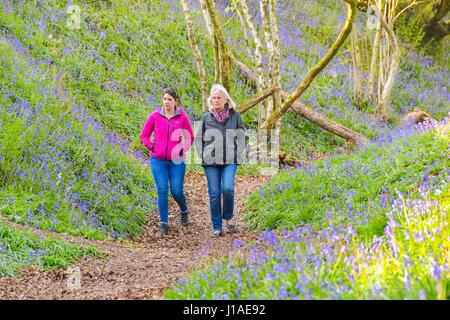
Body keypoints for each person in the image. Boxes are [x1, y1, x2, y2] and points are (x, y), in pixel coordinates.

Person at [140, 88, 194, 236]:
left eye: (170, 99)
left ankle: (184, 211)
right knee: (162, 190)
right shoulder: (155, 116)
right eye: (165, 99)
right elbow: (144, 135)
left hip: (176, 161)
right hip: (158, 161)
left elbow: (189, 137)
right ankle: (163, 224)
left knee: (176, 191)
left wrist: (182, 149)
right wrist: (152, 147)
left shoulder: (182, 118)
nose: (167, 102)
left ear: (176, 101)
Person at [198, 84, 246, 238]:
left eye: (219, 97)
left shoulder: (235, 116)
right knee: (214, 193)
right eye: (214, 98)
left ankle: (228, 216)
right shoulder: (206, 117)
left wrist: (238, 153)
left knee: (227, 189)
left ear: (226, 100)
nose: (216, 100)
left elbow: (243, 136)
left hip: (230, 160)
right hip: (210, 161)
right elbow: (198, 138)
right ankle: (217, 227)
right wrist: (202, 154)